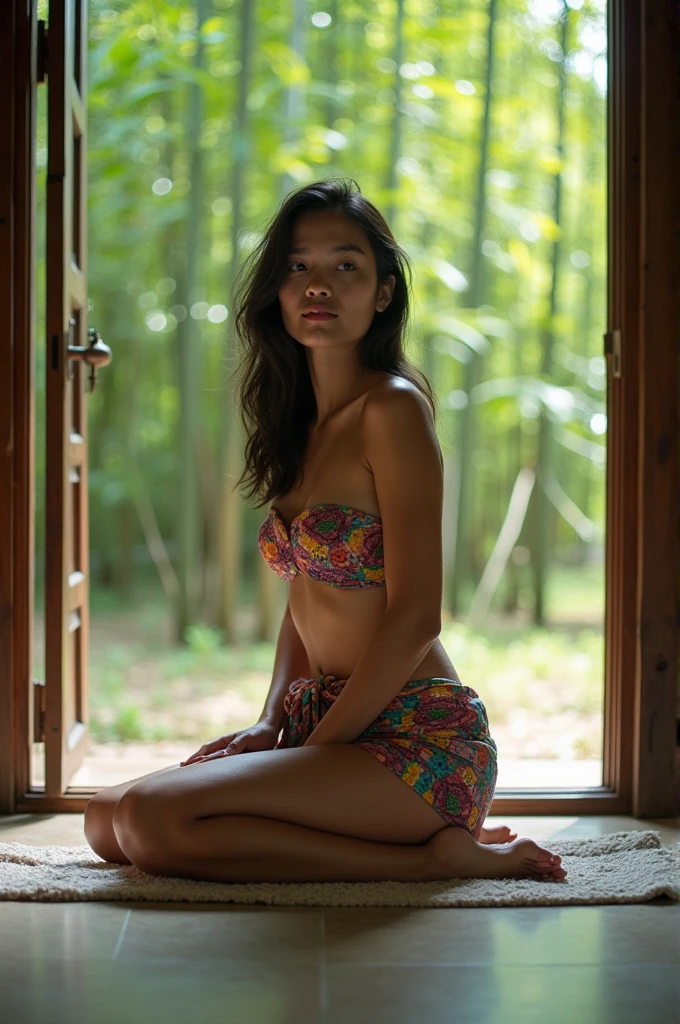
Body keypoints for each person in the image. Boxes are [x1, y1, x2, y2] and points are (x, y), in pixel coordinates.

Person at [84, 178, 567, 884]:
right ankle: (415, 846)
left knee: (154, 823)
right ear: (276, 292)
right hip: (324, 723)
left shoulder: (392, 409)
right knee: (106, 821)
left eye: (346, 266)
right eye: (298, 266)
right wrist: (270, 720)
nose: (318, 285)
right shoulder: (296, 427)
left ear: (382, 294)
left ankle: (435, 861)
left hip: (415, 739)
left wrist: (313, 750)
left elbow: (415, 616)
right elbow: (304, 600)